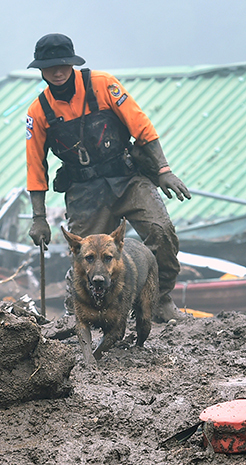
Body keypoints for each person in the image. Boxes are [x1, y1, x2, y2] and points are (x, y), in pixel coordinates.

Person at [25, 33, 191, 322]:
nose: (58, 71)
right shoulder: (38, 112)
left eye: (63, 64)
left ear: (73, 64)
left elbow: (141, 126)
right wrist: (39, 217)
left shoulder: (103, 85)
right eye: (50, 67)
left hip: (127, 178)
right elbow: (35, 166)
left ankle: (159, 301)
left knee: (161, 231)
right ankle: (79, 314)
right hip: (84, 191)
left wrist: (163, 170)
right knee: (85, 255)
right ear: (41, 70)